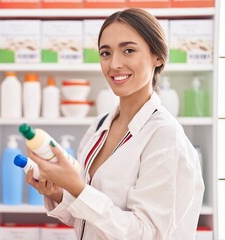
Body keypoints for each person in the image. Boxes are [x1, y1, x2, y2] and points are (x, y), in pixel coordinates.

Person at [25, 8, 205, 240]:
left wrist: (78, 189)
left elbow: (146, 234)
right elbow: (86, 220)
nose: (114, 64)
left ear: (158, 57)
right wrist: (60, 191)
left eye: (128, 50)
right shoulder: (100, 126)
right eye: (105, 53)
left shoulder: (165, 136)